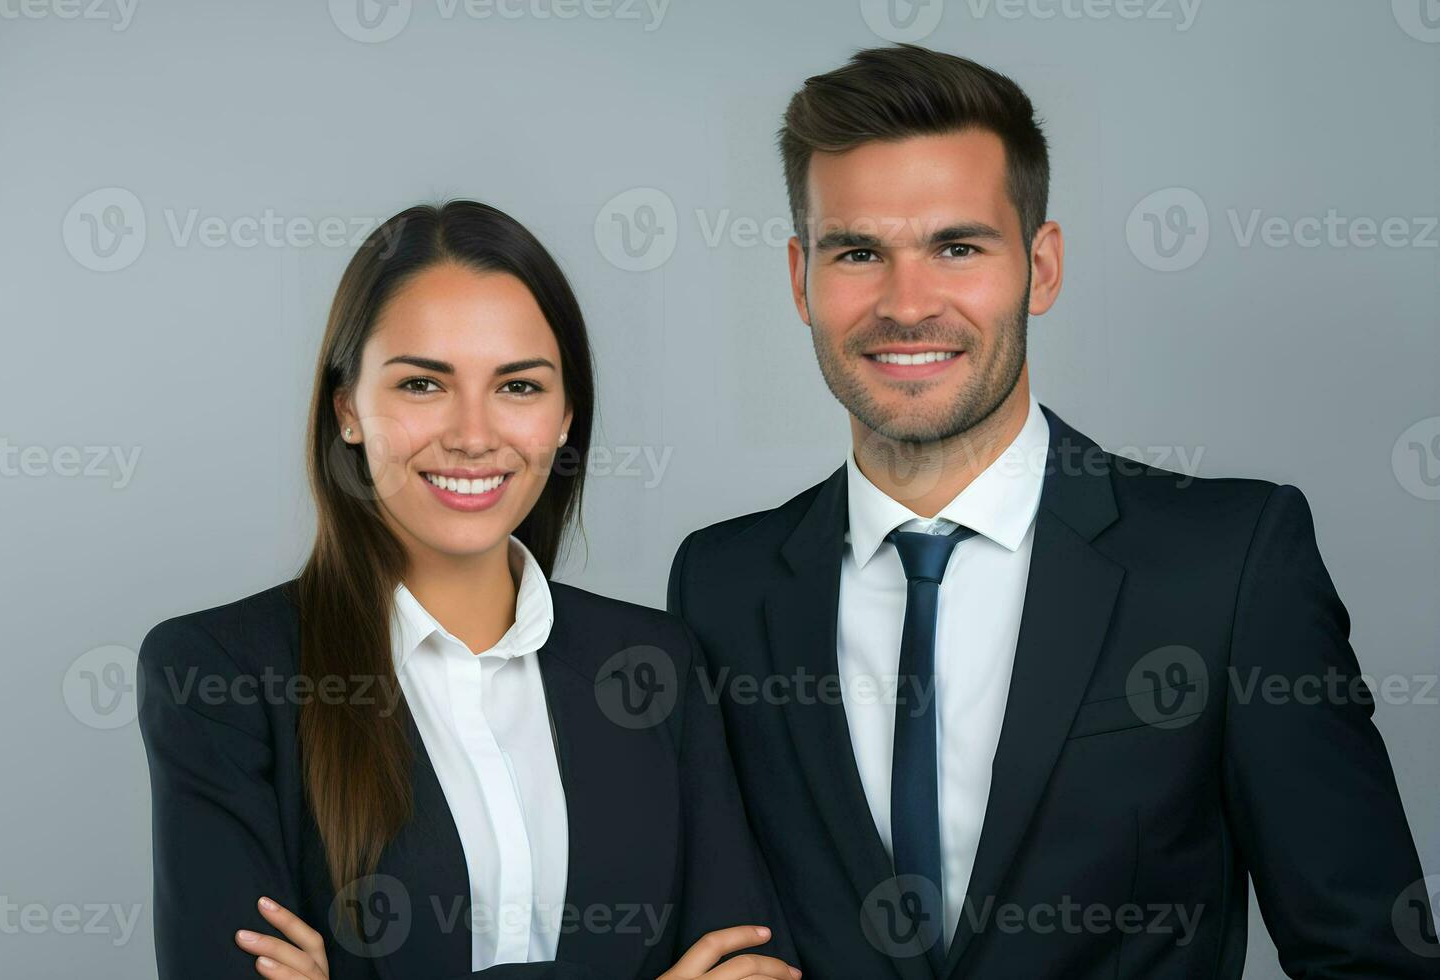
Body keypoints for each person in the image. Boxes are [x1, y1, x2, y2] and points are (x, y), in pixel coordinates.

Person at [667, 44, 1439, 979]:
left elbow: (1370, 954)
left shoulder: (1229, 564)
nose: (907, 305)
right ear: (801, 280)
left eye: (958, 247)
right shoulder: (721, 585)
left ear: (1041, 265)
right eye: (859, 252)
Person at [137, 201, 801, 980]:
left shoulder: (657, 662)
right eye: (424, 384)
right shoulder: (220, 676)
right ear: (348, 407)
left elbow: (754, 967)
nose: (474, 434)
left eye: (518, 387)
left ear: (564, 418)